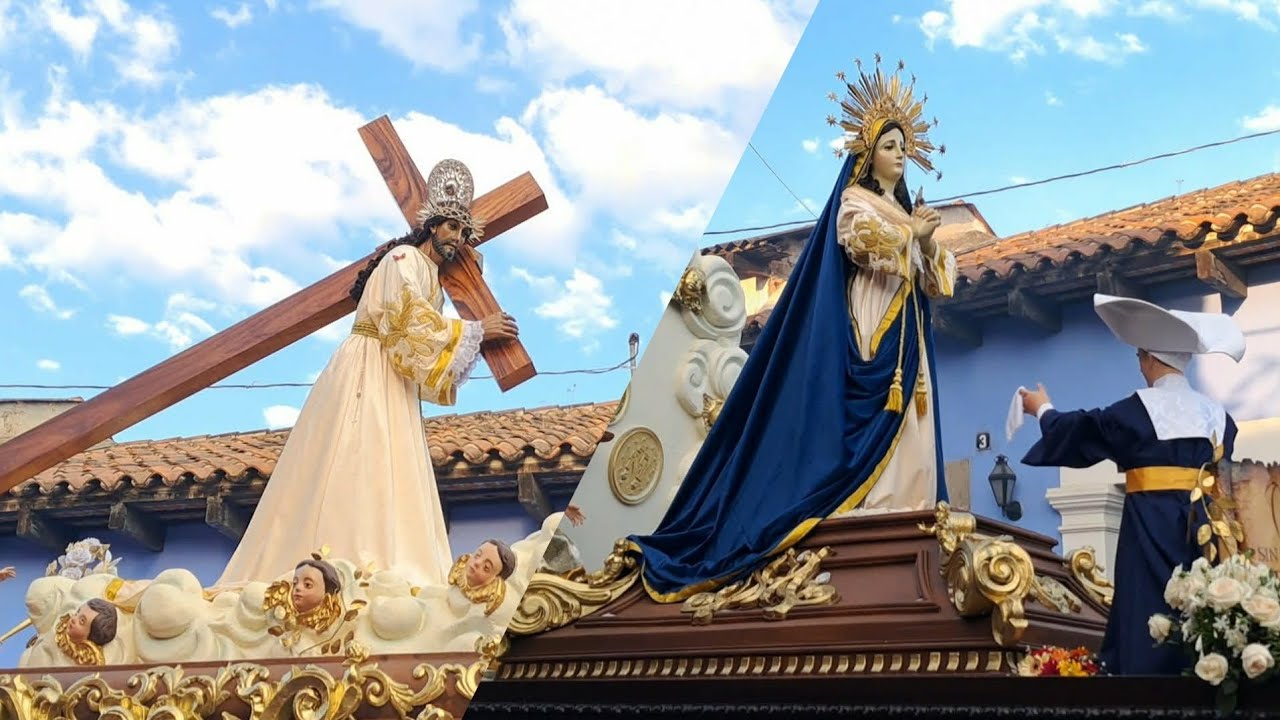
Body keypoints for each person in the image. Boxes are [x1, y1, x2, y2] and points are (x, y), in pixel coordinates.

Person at [623, 59, 955, 602]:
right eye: (890, 145)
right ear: (868, 154)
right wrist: (908, 236)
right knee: (874, 417)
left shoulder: (909, 209)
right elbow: (860, 245)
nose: (900, 153)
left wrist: (930, 244)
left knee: (914, 428)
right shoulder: (857, 202)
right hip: (870, 324)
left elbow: (941, 281)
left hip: (908, 338)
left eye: (903, 146)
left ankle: (910, 513)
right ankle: (870, 509)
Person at [216, 159, 519, 590]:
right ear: (432, 225)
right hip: (368, 366)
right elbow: (405, 322)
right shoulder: (404, 258)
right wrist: (476, 331)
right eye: (450, 227)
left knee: (389, 465)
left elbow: (420, 338)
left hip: (394, 376)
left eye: (463, 232)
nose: (456, 238)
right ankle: (341, 560)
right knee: (356, 455)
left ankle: (380, 563)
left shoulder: (430, 277)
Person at [1018, 293, 1245, 676]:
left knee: (1145, 613)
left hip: (1149, 530)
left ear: (1151, 358)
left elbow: (1078, 432)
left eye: (1140, 357)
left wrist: (1041, 407)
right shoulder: (1221, 418)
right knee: (1207, 614)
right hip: (1207, 530)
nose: (1140, 366)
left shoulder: (1135, 413)